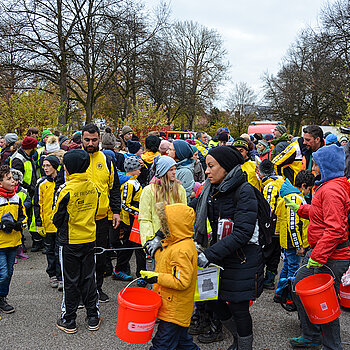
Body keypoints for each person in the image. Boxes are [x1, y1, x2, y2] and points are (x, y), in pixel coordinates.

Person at [194, 146, 263, 350]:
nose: (206, 171)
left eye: (211, 166)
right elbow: (190, 210)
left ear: (226, 167)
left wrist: (209, 254)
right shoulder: (212, 189)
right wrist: (162, 232)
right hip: (221, 254)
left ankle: (244, 345)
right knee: (211, 298)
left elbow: (242, 233)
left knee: (238, 306)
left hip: (242, 257)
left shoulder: (245, 191)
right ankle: (236, 337)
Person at [286, 145, 350, 349]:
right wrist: (302, 209)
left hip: (331, 255)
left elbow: (336, 228)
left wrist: (319, 256)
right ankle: (312, 334)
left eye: (316, 164)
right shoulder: (329, 186)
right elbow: (322, 212)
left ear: (326, 166)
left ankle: (331, 345)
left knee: (324, 300)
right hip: (322, 252)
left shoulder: (331, 189)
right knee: (301, 289)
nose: (313, 168)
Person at [53, 149, 100, 334]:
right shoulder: (93, 186)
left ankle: (69, 319)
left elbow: (56, 217)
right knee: (89, 278)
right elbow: (96, 210)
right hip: (90, 238)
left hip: (70, 241)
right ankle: (93, 317)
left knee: (70, 281)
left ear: (68, 168)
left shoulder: (65, 189)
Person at [140, 203, 199, 350]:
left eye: (166, 224)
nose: (163, 227)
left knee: (161, 344)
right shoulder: (175, 243)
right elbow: (167, 261)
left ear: (176, 225)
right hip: (174, 306)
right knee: (182, 342)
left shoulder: (181, 250)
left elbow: (182, 281)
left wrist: (156, 278)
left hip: (174, 309)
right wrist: (155, 251)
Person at [82, 123, 121, 303]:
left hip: (101, 218)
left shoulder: (107, 160)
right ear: (81, 139)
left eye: (94, 140)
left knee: (99, 255)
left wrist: (116, 211)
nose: (90, 143)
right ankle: (82, 293)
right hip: (79, 220)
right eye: (87, 140)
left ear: (99, 139)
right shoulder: (74, 159)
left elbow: (114, 188)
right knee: (81, 257)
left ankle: (97, 289)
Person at [273, 171, 314, 310]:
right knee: (294, 271)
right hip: (293, 243)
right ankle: (291, 299)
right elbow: (293, 224)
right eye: (309, 189)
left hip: (289, 241)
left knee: (287, 267)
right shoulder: (294, 199)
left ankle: (279, 294)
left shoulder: (290, 196)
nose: (309, 192)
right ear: (303, 186)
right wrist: (299, 246)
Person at [139, 155, 187, 250]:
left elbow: (184, 215)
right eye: (170, 170)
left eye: (174, 169)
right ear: (162, 172)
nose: (174, 172)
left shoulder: (180, 189)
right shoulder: (149, 191)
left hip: (177, 240)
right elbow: (145, 218)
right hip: (157, 242)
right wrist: (149, 241)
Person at [112, 156, 145, 282]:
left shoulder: (134, 181)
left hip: (134, 219)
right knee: (136, 247)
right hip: (130, 220)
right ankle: (140, 275)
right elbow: (125, 204)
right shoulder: (129, 184)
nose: (140, 171)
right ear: (133, 169)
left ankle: (121, 270)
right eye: (138, 169)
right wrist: (139, 212)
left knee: (131, 247)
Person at [0, 165, 27, 314]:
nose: (13, 181)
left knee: (9, 272)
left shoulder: (16, 197)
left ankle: (2, 298)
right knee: (3, 273)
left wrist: (19, 224)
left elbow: (24, 217)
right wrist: (1, 225)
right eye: (9, 178)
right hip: (0, 243)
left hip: (13, 242)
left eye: (13, 178)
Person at [33, 155, 62, 291]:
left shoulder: (63, 181)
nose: (45, 168)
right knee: (50, 251)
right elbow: (37, 204)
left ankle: (62, 276)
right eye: (44, 166)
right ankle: (53, 275)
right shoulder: (41, 183)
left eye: (48, 165)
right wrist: (39, 223)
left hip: (61, 225)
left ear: (55, 166)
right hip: (47, 224)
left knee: (60, 251)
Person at [10, 136, 41, 252]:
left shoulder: (27, 156)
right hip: (24, 192)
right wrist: (29, 188)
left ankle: (34, 241)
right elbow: (17, 178)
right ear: (31, 147)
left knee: (31, 216)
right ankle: (20, 244)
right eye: (35, 146)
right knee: (24, 217)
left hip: (30, 190)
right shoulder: (19, 159)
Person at [257, 159, 284, 290]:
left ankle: (263, 280)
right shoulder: (282, 181)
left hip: (272, 227)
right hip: (281, 226)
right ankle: (270, 279)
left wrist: (264, 226)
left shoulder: (270, 186)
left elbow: (268, 209)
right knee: (276, 254)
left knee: (266, 252)